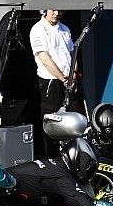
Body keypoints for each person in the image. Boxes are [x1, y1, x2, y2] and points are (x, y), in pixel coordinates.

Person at [29, 9, 84, 158]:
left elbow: (72, 52)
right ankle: (53, 159)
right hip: (51, 82)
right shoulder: (37, 30)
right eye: (52, 10)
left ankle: (75, 156)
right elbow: (44, 58)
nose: (56, 13)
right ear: (44, 11)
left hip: (69, 80)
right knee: (52, 122)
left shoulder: (65, 28)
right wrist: (62, 77)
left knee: (75, 118)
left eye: (58, 10)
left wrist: (73, 74)